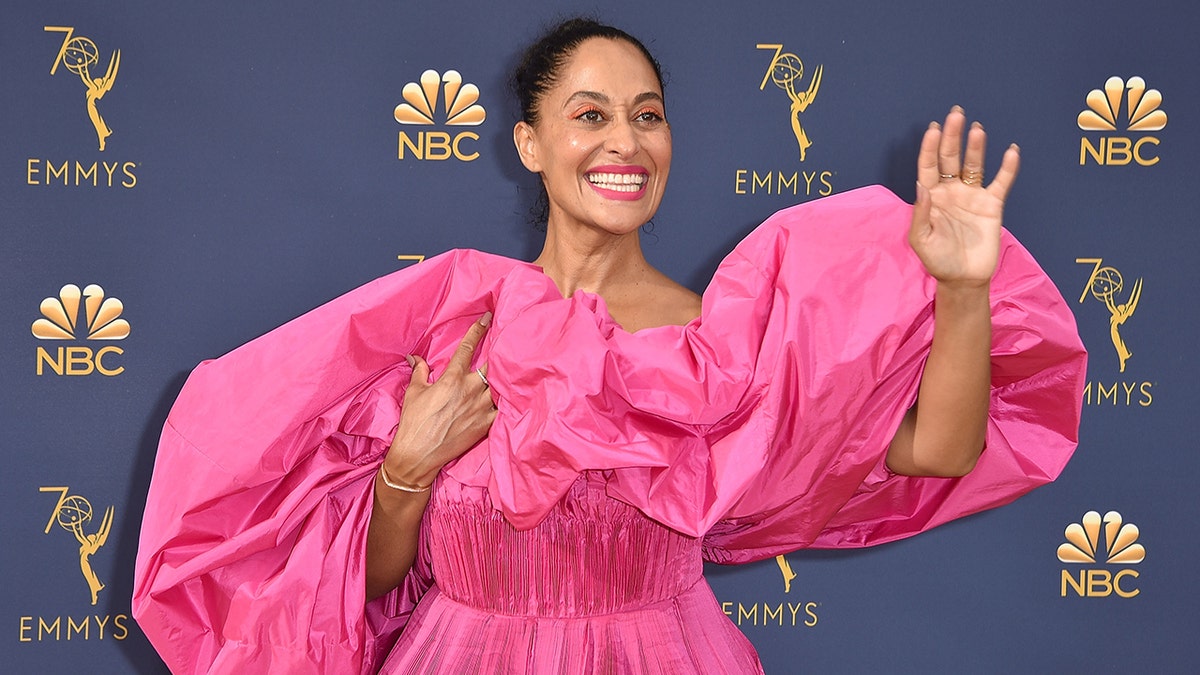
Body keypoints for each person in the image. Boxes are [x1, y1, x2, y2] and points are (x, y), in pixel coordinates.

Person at [133, 18, 1086, 674]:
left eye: (647, 114)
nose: (624, 141)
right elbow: (376, 580)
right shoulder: (452, 320)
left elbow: (941, 452)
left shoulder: (724, 346)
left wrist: (963, 292)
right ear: (531, 143)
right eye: (589, 114)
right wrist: (406, 468)